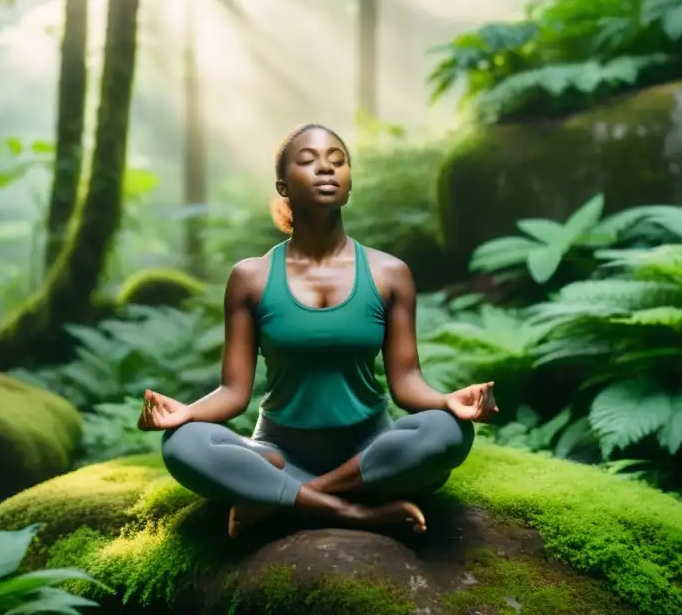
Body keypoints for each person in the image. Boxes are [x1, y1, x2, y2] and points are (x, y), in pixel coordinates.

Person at [137, 123, 497, 539]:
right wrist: (186, 413)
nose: (326, 169)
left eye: (337, 161)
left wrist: (449, 400)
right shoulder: (251, 278)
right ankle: (355, 512)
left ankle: (286, 500)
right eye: (308, 161)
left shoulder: (389, 274)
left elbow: (407, 382)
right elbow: (234, 392)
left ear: (348, 183)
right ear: (283, 186)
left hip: (370, 452)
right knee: (183, 444)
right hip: (278, 454)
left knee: (447, 432)